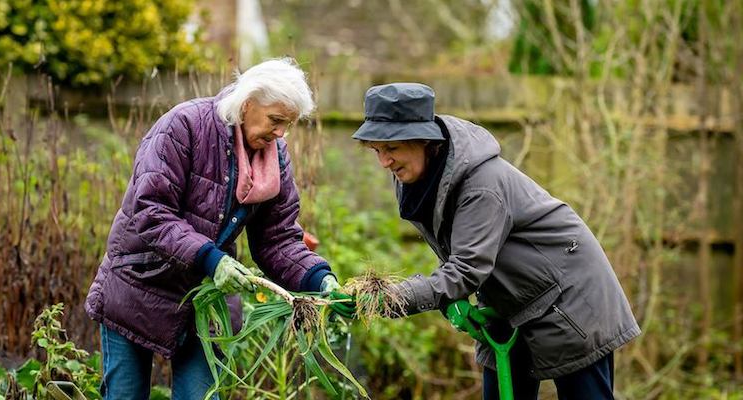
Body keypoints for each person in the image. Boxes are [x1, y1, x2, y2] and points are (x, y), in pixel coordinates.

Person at [345, 82, 640, 399]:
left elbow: (466, 270)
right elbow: (459, 254)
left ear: (425, 140)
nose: (384, 162)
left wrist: (396, 296)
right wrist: (449, 298)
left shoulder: (481, 185)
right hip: (508, 306)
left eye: (391, 149)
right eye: (377, 150)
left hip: (570, 301)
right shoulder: (418, 178)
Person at [84, 58, 344, 400]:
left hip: (205, 302)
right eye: (276, 120)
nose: (281, 134)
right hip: (139, 284)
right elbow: (149, 211)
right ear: (248, 103)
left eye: (288, 125)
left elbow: (277, 238)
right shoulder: (185, 126)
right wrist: (212, 259)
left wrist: (319, 278)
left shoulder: (273, 155)